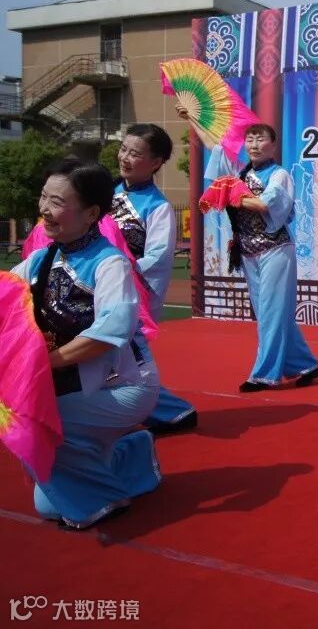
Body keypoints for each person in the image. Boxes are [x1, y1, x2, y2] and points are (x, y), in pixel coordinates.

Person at [11, 158, 161, 529]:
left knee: (29, 421)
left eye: (57, 202)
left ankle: (105, 499)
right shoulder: (42, 259)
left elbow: (108, 336)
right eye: (44, 197)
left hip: (122, 386)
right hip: (72, 385)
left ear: (92, 213)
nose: (45, 209)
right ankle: (131, 454)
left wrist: (39, 363)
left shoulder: (110, 264)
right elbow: (5, 295)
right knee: (47, 505)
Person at [186, 109, 318, 391]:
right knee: (269, 313)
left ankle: (264, 374)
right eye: (249, 140)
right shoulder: (240, 172)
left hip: (275, 249)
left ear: (273, 145)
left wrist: (230, 194)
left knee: (271, 313)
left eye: (260, 139)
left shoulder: (279, 175)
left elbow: (264, 204)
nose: (254, 144)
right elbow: (215, 147)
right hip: (248, 251)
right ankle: (306, 364)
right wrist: (191, 119)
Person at [111, 124, 197, 431]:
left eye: (135, 153)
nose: (125, 157)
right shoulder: (106, 192)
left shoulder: (157, 207)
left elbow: (158, 258)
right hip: (96, 288)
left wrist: (115, 272)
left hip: (129, 292)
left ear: (156, 162)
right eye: (124, 149)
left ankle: (172, 411)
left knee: (120, 356)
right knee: (113, 358)